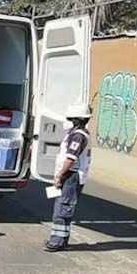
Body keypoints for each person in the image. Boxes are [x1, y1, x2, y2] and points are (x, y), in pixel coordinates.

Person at [46, 104, 93, 252]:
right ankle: (61, 239)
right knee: (63, 208)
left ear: (77, 119)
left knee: (62, 209)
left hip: (71, 175)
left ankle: (57, 242)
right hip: (71, 175)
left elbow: (70, 158)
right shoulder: (76, 133)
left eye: (72, 119)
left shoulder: (78, 136)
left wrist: (60, 175)